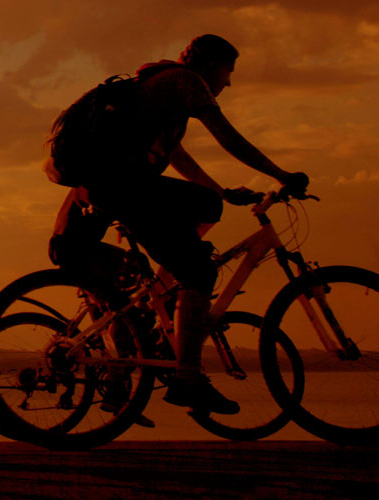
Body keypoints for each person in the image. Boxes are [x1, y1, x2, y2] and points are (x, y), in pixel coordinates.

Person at [52, 34, 309, 415]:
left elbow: (178, 158)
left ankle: (172, 283)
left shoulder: (162, 91)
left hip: (109, 186)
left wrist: (222, 191)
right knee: (199, 270)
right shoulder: (186, 82)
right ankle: (188, 377)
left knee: (204, 207)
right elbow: (229, 138)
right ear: (209, 65)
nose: (229, 82)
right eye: (228, 72)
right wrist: (281, 174)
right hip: (121, 187)